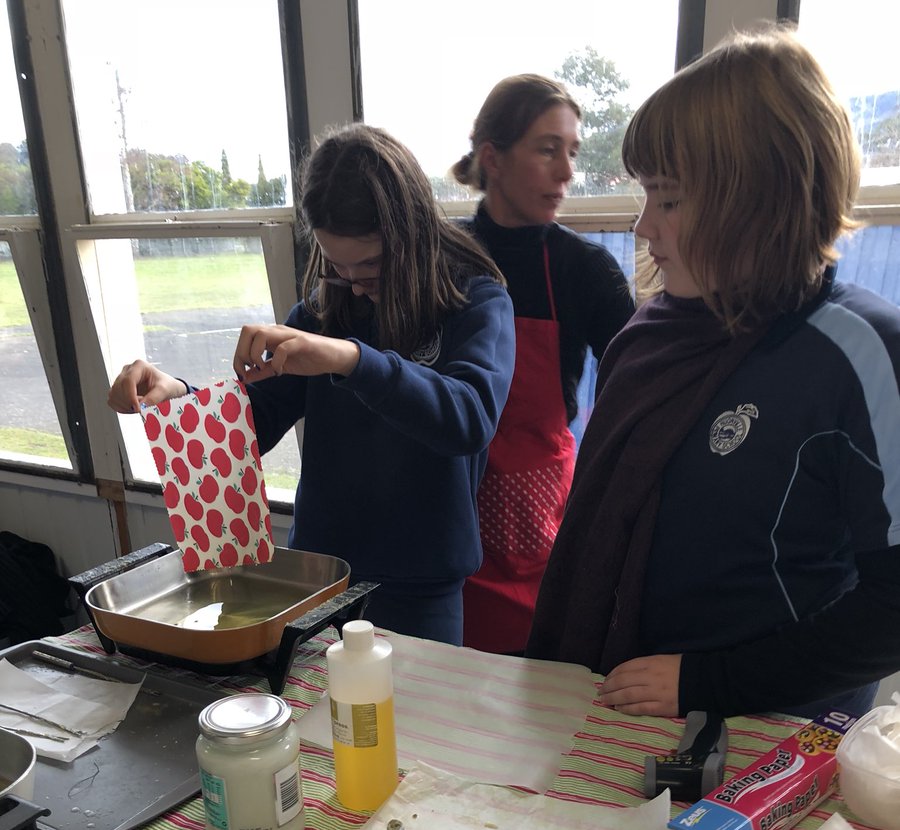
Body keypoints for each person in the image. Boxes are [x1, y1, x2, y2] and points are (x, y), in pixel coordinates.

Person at [526, 25, 900, 720]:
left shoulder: (863, 351)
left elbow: (892, 608)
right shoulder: (647, 336)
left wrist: (712, 682)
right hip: (623, 708)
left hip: (781, 738)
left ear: (762, 199)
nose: (642, 228)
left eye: (667, 199)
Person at [109, 125, 515, 645]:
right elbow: (251, 424)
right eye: (337, 265)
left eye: (370, 263)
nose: (355, 283)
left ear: (414, 237)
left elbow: (469, 418)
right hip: (319, 579)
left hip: (420, 589)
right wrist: (179, 399)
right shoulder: (324, 311)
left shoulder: (475, 302)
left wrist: (351, 360)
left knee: (408, 723)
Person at [451, 75, 635, 654]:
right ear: (492, 158)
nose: (566, 172)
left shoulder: (585, 270)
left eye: (572, 152)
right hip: (451, 510)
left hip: (542, 524)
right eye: (548, 149)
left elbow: (639, 391)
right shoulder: (440, 257)